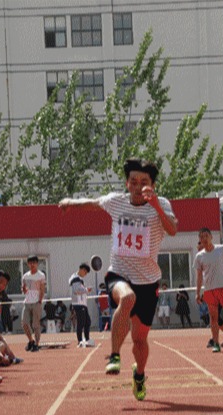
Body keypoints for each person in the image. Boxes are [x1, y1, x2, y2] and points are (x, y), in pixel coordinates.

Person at [59, 158, 177, 401]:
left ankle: (139, 375)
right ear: (127, 183)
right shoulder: (117, 202)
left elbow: (173, 229)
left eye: (144, 182)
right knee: (127, 297)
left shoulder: (161, 203)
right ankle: (114, 355)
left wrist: (155, 204)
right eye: (133, 181)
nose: (138, 187)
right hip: (119, 273)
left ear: (152, 185)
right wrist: (70, 202)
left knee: (140, 340)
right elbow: (93, 203)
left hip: (148, 280)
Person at [194, 228, 223, 353]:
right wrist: (197, 293)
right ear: (200, 239)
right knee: (213, 318)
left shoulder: (221, 249)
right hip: (209, 290)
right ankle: (216, 343)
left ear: (211, 237)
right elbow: (199, 276)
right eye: (202, 237)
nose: (204, 239)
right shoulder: (199, 256)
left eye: (206, 236)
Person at [21, 255, 46, 352]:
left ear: (37, 263)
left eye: (34, 263)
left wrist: (40, 300)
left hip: (36, 302)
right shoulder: (25, 276)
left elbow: (42, 289)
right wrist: (23, 289)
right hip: (27, 302)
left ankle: (36, 344)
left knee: (36, 324)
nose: (32, 265)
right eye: (30, 263)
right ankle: (31, 340)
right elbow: (24, 289)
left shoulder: (41, 275)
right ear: (28, 264)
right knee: (24, 323)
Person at [70, 263, 92, 347]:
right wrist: (86, 290)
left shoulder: (79, 279)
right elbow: (76, 290)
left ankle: (87, 339)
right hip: (78, 303)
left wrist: (85, 290)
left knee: (87, 321)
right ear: (81, 269)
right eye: (85, 272)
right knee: (81, 322)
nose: (85, 274)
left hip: (82, 303)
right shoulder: (75, 278)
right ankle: (80, 341)